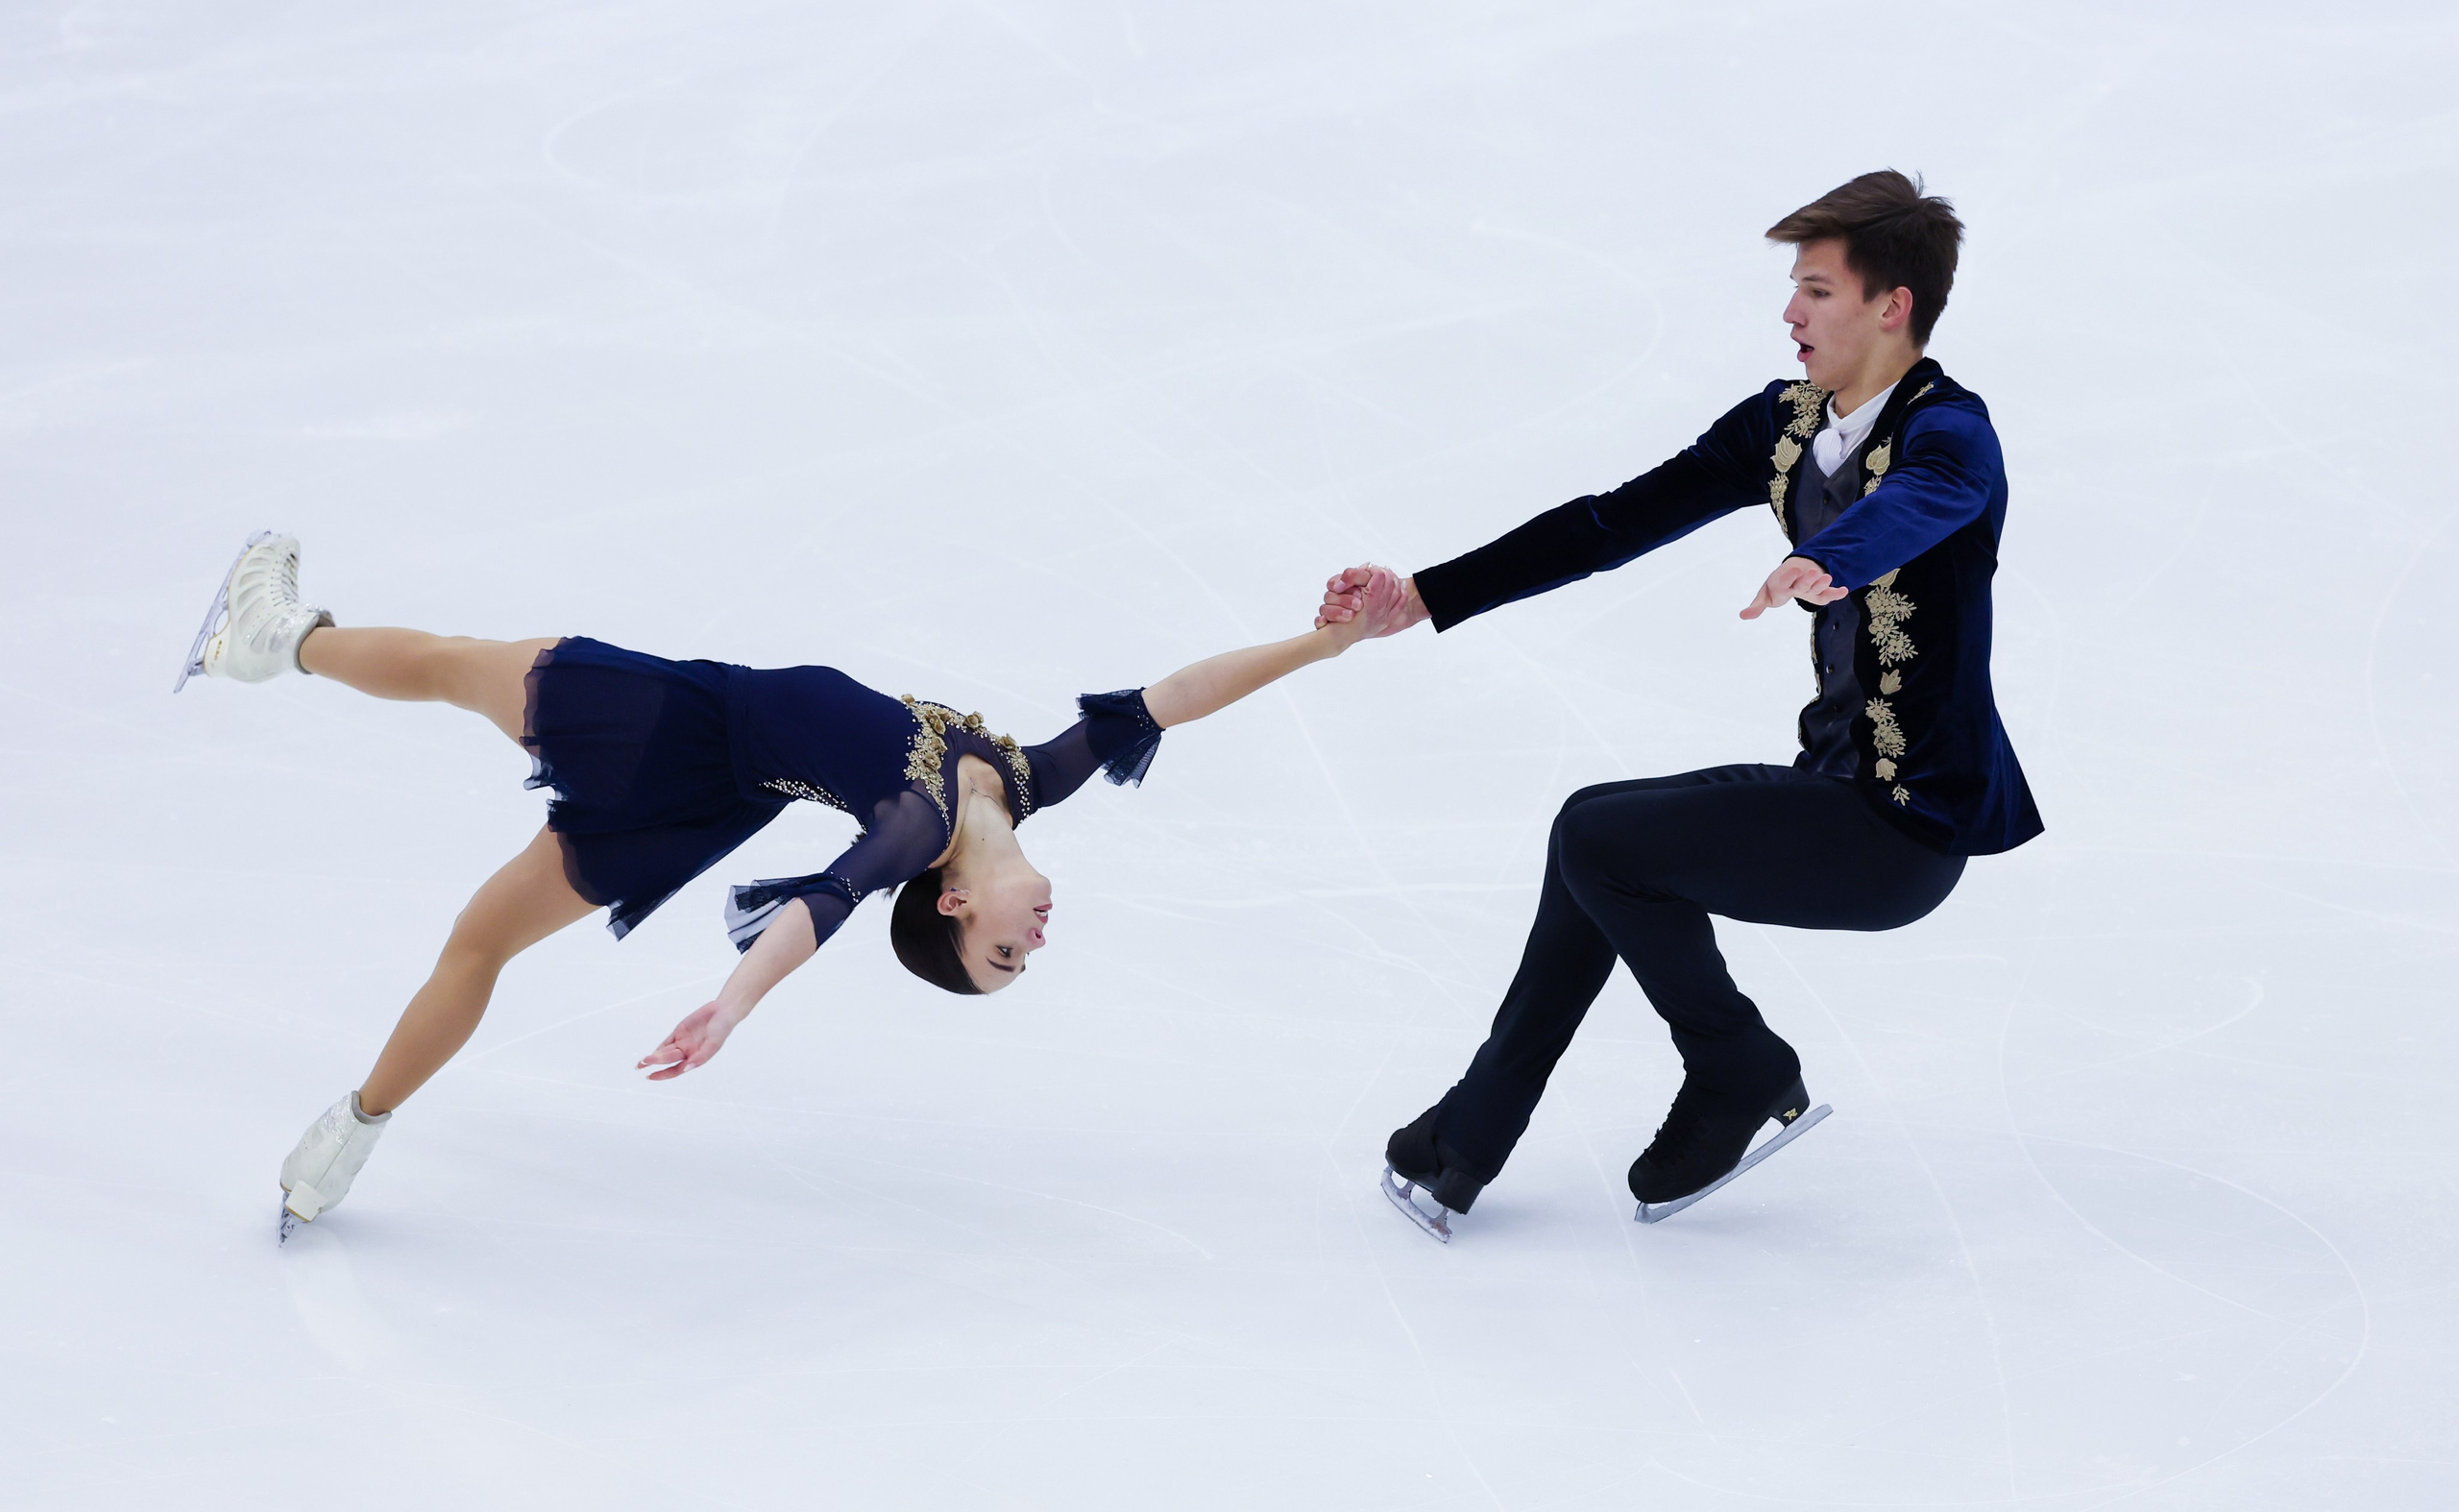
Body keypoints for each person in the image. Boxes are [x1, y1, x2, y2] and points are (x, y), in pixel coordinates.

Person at [173, 533, 1403, 1232]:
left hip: (672, 722)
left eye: (1004, 956)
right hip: (704, 805)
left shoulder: (915, 830)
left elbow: (822, 904)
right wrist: (1329, 643)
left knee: (454, 667)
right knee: (481, 941)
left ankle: (274, 642)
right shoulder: (1026, 781)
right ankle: (343, 1142)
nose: (1038, 941)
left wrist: (733, 1004)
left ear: (955, 907)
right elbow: (1172, 699)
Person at [1318, 170, 2042, 1238]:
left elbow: (1927, 502)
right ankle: (1469, 1138)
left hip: (1909, 823)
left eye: (1817, 291)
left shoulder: (1952, 436)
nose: (1789, 314)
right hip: (1832, 790)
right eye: (1793, 288)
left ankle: (1733, 1065)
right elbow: (1613, 522)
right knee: (1596, 838)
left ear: (1892, 306)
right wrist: (1423, 596)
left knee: (1601, 835)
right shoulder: (1787, 424)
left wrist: (1826, 560)